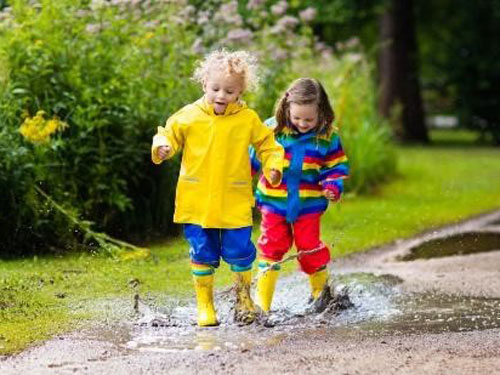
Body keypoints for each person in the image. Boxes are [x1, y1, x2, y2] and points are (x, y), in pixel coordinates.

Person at [151, 50, 283, 327]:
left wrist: (273, 166)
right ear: (204, 85)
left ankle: (243, 300)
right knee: (202, 253)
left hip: (233, 199)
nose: (221, 95)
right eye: (215, 89)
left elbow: (268, 145)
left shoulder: (247, 119)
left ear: (240, 92)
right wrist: (162, 147)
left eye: (230, 90)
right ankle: (205, 305)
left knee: (240, 252)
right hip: (196, 201)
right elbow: (168, 133)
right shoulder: (189, 115)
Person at [250, 77, 349, 314]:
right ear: (286, 108)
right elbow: (253, 159)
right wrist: (241, 179)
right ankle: (262, 303)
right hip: (274, 203)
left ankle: (320, 296)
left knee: (309, 248)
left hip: (308, 205)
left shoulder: (327, 137)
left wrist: (332, 186)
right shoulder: (272, 130)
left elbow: (335, 167)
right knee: (272, 246)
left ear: (321, 112)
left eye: (309, 119)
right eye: (297, 118)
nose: (303, 124)